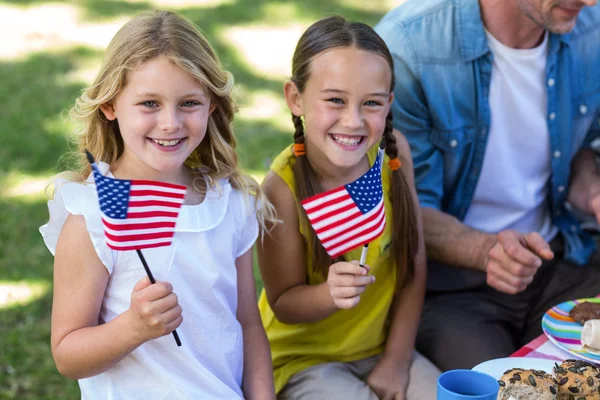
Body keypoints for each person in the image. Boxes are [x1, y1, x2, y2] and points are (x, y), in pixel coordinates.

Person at [39, 10, 276, 399]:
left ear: (212, 105)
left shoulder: (228, 203)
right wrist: (132, 327)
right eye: (149, 103)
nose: (170, 123)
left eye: (188, 103)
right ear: (111, 105)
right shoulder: (94, 216)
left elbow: (247, 322)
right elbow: (67, 353)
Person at [376, 0, 600, 371]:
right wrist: (485, 250)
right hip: (451, 290)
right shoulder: (407, 49)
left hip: (561, 260)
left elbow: (579, 151)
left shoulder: (589, 27)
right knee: (506, 388)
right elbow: (405, 209)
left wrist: (592, 192)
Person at [257, 16, 440, 400]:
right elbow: (283, 303)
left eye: (371, 103)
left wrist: (397, 360)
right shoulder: (280, 190)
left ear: (388, 103)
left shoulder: (393, 156)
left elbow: (413, 265)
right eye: (335, 100)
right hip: (303, 359)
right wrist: (329, 294)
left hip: (380, 350)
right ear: (295, 98)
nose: (353, 121)